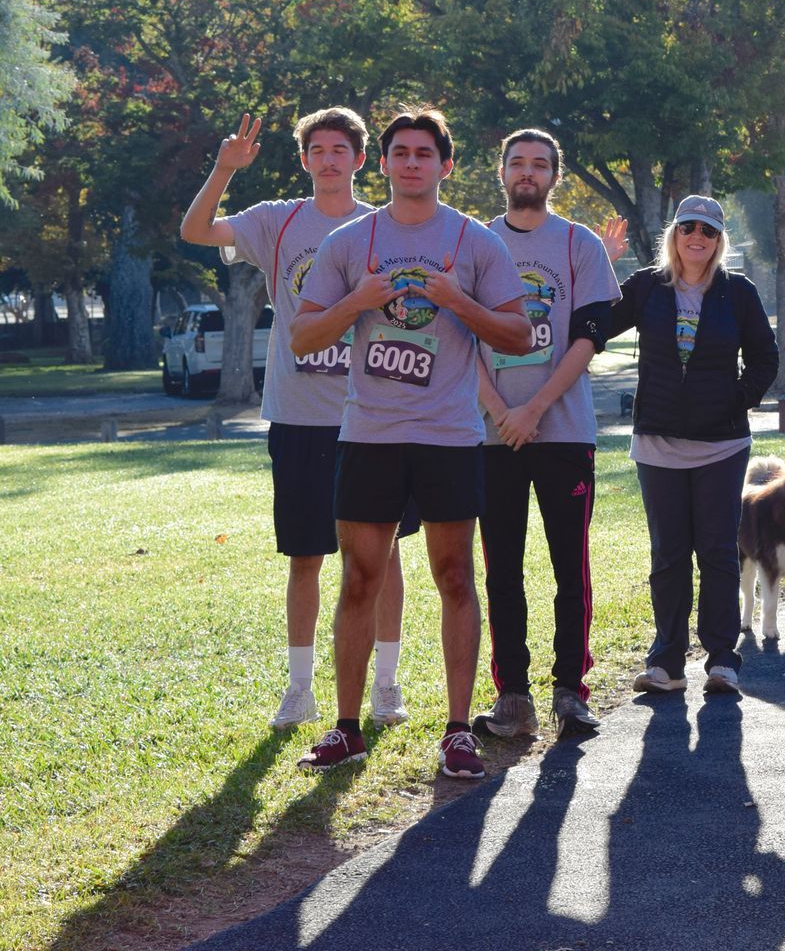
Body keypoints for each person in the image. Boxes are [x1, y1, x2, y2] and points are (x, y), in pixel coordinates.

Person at [289, 109, 532, 779]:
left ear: (446, 165)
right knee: (360, 578)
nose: (412, 163)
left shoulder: (476, 244)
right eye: (400, 153)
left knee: (455, 577)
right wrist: (357, 301)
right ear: (385, 163)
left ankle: (457, 731)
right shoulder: (350, 241)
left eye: (425, 154)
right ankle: (346, 728)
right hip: (369, 433)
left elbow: (518, 337)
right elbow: (303, 338)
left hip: (448, 435)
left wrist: (458, 302)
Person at [179, 109, 420, 732]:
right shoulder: (276, 220)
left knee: (383, 556)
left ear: (360, 160)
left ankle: (387, 686)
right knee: (306, 557)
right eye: (317, 149)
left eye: (341, 149)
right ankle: (298, 688)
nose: (329, 159)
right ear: (305, 159)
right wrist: (224, 169)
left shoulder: (383, 225)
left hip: (375, 416)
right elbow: (196, 230)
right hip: (298, 417)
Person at [470, 130, 624, 740]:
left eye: (539, 164)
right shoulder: (473, 242)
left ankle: (570, 691)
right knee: (501, 568)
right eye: (518, 163)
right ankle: (513, 698)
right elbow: (461, 340)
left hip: (562, 431)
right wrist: (500, 410)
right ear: (502, 172)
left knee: (570, 567)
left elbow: (587, 338)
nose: (527, 173)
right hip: (490, 436)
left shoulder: (579, 244)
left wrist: (533, 407)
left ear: (555, 177)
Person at [607, 196, 778, 697]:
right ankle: (666, 662)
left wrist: (735, 402)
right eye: (688, 228)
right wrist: (602, 263)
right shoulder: (646, 287)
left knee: (719, 552)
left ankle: (723, 658)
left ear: (719, 239)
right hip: (657, 443)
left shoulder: (737, 293)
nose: (697, 237)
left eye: (708, 229)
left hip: (721, 447)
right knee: (669, 554)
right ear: (675, 235)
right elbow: (594, 323)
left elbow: (765, 359)